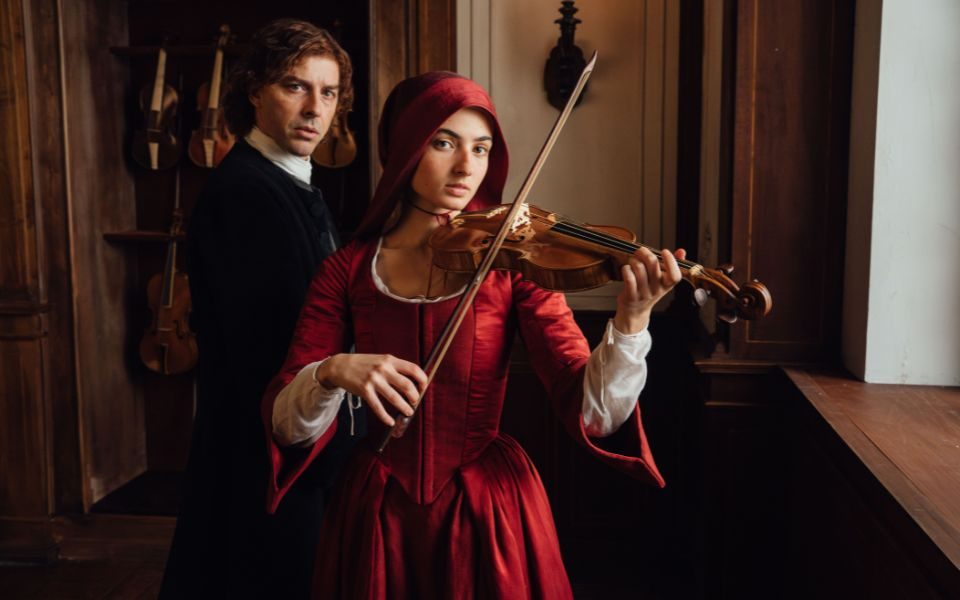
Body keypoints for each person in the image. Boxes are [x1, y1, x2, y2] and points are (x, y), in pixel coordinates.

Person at [262, 71, 685, 599]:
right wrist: (331, 371)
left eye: (482, 149)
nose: (467, 167)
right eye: (444, 143)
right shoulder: (346, 270)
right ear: (404, 149)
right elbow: (288, 427)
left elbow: (594, 412)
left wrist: (631, 320)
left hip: (489, 512)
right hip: (377, 515)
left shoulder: (512, 266)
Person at [159, 19, 362, 600]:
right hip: (261, 451)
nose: (314, 109)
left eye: (327, 93)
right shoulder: (244, 192)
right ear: (255, 92)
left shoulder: (293, 183)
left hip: (288, 438)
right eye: (294, 87)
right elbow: (269, 349)